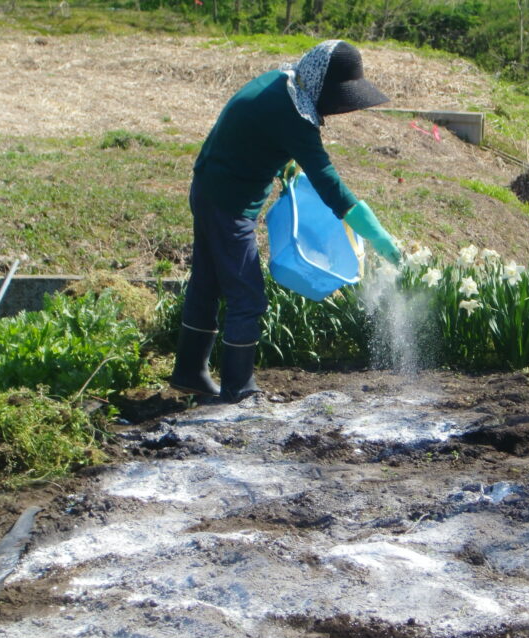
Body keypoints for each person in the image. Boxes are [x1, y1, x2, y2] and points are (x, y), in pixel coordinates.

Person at [169, 39, 401, 403]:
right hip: (229, 204)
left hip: (211, 188)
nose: (338, 108)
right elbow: (330, 184)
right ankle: (238, 389)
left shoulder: (283, 83)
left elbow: (256, 133)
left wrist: (285, 163)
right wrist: (377, 234)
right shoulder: (293, 115)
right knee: (247, 296)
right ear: (321, 85)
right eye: (338, 97)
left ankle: (190, 372)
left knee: (208, 282)